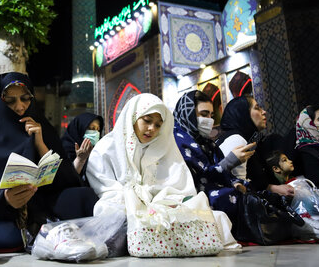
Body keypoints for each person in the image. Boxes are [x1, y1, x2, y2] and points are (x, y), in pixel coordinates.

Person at [86, 93, 239, 250]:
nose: (152, 128)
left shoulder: (165, 147)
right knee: (113, 213)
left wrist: (162, 203)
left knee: (215, 216)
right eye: (147, 121)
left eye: (158, 125)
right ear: (133, 117)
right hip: (123, 204)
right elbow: (106, 189)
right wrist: (137, 201)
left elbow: (178, 187)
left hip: (160, 205)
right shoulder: (106, 148)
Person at [0, 72, 98, 251]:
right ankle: (48, 236)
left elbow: (67, 179)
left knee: (83, 196)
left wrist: (40, 144)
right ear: (0, 100)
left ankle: (60, 238)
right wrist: (5, 198)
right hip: (5, 207)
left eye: (25, 98)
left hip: (42, 201)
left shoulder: (42, 127)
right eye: (10, 100)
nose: (20, 106)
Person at [173, 90, 254, 224]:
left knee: (249, 191)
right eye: (203, 114)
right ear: (188, 114)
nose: (209, 120)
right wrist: (229, 162)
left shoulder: (206, 143)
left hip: (211, 187)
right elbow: (198, 178)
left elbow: (217, 171)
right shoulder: (178, 140)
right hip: (191, 194)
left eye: (211, 115)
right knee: (225, 198)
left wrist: (236, 182)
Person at [216, 96, 294, 197]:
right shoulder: (236, 139)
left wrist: (273, 188)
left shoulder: (247, 139)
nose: (264, 112)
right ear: (243, 114)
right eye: (257, 108)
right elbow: (239, 187)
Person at [60, 112, 103, 184]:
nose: (95, 132)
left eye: (98, 129)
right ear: (80, 128)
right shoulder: (63, 150)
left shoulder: (100, 149)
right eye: (91, 128)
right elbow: (66, 181)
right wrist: (80, 160)